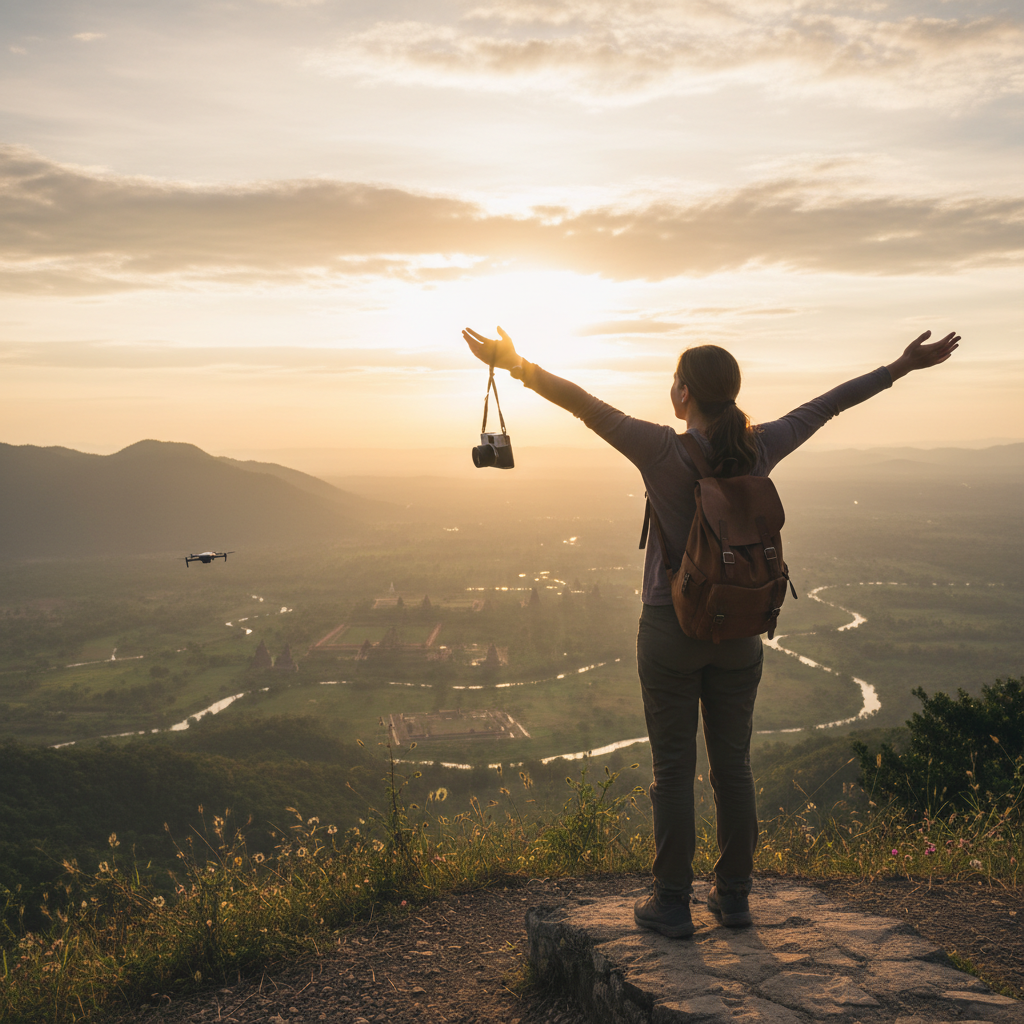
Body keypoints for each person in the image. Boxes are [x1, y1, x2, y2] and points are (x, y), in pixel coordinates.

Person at [463, 324, 960, 938]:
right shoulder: (761, 447)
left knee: (673, 771)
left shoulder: (660, 450)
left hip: (670, 629)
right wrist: (900, 367)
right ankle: (734, 898)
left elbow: (583, 404)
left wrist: (513, 363)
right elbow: (828, 404)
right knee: (735, 768)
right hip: (741, 632)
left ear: (684, 395)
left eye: (675, 383)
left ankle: (671, 902)